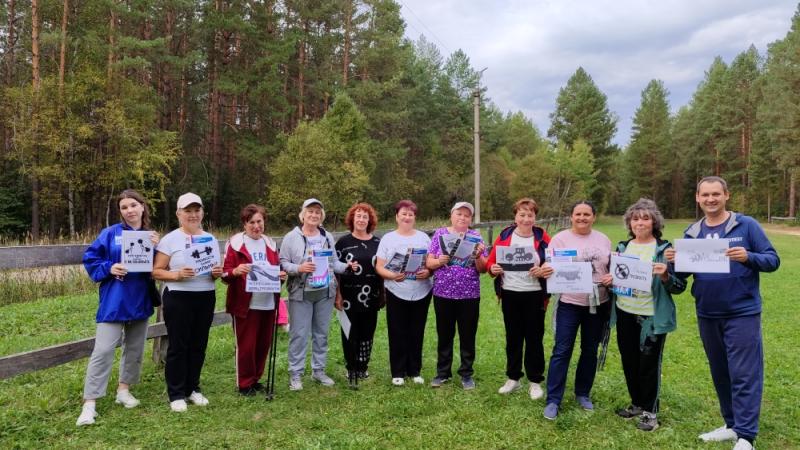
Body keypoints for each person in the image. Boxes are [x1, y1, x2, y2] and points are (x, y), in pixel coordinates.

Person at [665, 176, 779, 450]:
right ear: (697, 198)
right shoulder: (693, 232)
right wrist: (670, 267)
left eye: (716, 194)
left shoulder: (746, 225)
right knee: (721, 372)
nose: (711, 199)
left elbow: (773, 260)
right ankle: (731, 425)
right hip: (708, 313)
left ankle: (746, 436)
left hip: (742, 312)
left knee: (744, 373)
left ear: (726, 195)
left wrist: (747, 257)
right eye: (705, 195)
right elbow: (680, 282)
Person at [77, 189, 160, 426]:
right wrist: (109, 267)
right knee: (103, 350)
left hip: (140, 299)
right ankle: (89, 403)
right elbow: (91, 258)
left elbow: (160, 266)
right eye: (124, 207)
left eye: (133, 205)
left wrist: (157, 247)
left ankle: (124, 390)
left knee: (134, 348)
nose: (129, 210)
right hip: (114, 300)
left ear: (142, 207)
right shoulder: (110, 233)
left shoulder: (150, 236)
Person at [610, 199, 686, 432]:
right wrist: (609, 281)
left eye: (645, 218)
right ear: (629, 223)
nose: (640, 222)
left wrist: (665, 276)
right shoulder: (622, 248)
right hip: (624, 312)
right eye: (635, 218)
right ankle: (636, 403)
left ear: (654, 222)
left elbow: (679, 286)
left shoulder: (666, 250)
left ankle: (650, 412)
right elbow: (617, 279)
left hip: (651, 317)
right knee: (629, 361)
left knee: (648, 365)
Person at [541, 200, 612, 420]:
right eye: (578, 214)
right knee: (562, 350)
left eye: (587, 214)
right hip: (569, 303)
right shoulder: (560, 239)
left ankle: (583, 393)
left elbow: (611, 268)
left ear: (594, 216)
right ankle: (553, 399)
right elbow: (550, 266)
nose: (582, 218)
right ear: (571, 216)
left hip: (598, 304)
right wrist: (546, 269)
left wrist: (612, 277)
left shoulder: (604, 239)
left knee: (590, 350)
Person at [152, 192, 223, 412]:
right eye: (187, 211)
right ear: (178, 214)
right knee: (178, 345)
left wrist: (216, 273)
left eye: (196, 210)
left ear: (202, 212)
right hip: (178, 296)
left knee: (198, 344)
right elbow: (156, 271)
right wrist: (176, 275)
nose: (193, 215)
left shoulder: (210, 238)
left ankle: (193, 388)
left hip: (205, 295)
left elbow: (213, 270)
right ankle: (176, 393)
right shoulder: (170, 239)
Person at [280, 198, 351, 391]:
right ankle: (296, 374)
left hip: (325, 292)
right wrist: (299, 268)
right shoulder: (291, 237)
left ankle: (318, 371)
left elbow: (334, 263)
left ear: (321, 216)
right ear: (303, 214)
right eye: (310, 211)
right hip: (301, 292)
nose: (314, 215)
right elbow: (283, 263)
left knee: (321, 334)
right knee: (299, 334)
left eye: (318, 212)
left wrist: (348, 267)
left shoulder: (326, 236)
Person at [486, 198, 552, 400]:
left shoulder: (543, 237)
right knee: (513, 337)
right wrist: (492, 269)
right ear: (515, 216)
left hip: (534, 294)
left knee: (534, 338)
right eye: (522, 214)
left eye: (530, 215)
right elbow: (490, 262)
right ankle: (513, 378)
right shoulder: (505, 235)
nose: (525, 218)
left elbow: (553, 263)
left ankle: (535, 381)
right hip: (510, 293)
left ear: (535, 217)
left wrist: (543, 270)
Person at [222, 204, 287, 396]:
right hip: (245, 303)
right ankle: (244, 383)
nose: (256, 226)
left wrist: (280, 277)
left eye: (259, 221)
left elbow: (276, 270)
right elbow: (225, 275)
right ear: (244, 224)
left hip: (267, 302)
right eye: (252, 222)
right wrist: (235, 271)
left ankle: (256, 379)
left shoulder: (271, 244)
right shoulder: (235, 244)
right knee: (246, 345)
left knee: (262, 344)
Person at [426, 201, 487, 390]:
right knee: (445, 334)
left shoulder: (476, 237)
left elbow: (483, 269)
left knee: (468, 335)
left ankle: (466, 374)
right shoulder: (440, 235)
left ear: (470, 219)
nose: (463, 218)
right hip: (443, 292)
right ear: (452, 215)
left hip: (469, 294)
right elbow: (428, 262)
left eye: (467, 215)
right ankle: (443, 373)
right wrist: (438, 260)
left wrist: (478, 256)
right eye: (459, 214)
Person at [375, 200, 433, 386]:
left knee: (417, 331)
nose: (407, 217)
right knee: (397, 331)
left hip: (422, 291)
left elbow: (430, 263)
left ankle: (414, 370)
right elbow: (379, 266)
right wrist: (392, 276)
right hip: (396, 290)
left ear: (415, 217)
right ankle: (398, 372)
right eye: (404, 214)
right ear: (397, 217)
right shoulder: (388, 239)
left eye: (411, 214)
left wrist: (429, 272)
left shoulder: (424, 238)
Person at [334, 202, 383, 386]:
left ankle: (363, 367)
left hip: (371, 295)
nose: (361, 219)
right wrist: (338, 295)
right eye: (358, 216)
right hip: (348, 297)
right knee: (349, 332)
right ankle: (351, 368)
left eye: (365, 216)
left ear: (369, 220)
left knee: (367, 333)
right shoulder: (343, 243)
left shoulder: (378, 243)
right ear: (352, 219)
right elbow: (336, 271)